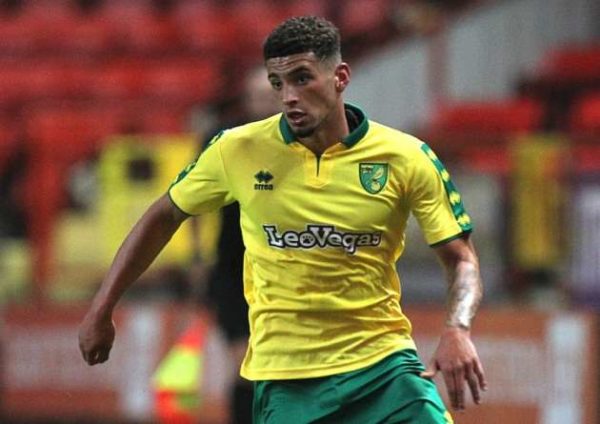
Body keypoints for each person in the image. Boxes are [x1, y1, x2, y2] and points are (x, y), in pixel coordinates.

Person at [79, 16, 487, 423]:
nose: (289, 96)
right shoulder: (236, 149)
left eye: (302, 78)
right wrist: (103, 306)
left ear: (340, 77)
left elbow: (462, 259)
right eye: (278, 83)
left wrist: (457, 328)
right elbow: (164, 214)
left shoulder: (406, 157)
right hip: (288, 382)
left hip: (384, 370)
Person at [201, 66, 279, 424]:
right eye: (256, 97)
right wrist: (197, 256)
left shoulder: (302, 144)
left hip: (284, 271)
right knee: (246, 366)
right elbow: (187, 203)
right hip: (233, 271)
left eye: (269, 96)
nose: (264, 104)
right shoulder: (224, 143)